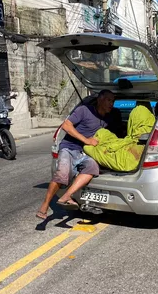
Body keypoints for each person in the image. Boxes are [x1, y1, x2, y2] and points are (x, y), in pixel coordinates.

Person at [37, 90, 115, 219]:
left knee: (93, 168)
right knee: (61, 174)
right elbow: (66, 126)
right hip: (69, 147)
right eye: (109, 100)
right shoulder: (84, 110)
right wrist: (86, 140)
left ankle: (67, 196)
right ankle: (44, 207)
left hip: (85, 152)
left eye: (113, 101)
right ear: (100, 99)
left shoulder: (109, 118)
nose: (111, 104)